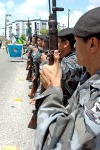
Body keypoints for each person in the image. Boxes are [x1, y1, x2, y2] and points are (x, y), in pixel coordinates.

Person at [35, 7, 100, 150]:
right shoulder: (89, 76)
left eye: (76, 42)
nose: (75, 46)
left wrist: (52, 91)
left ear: (92, 44)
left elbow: (53, 144)